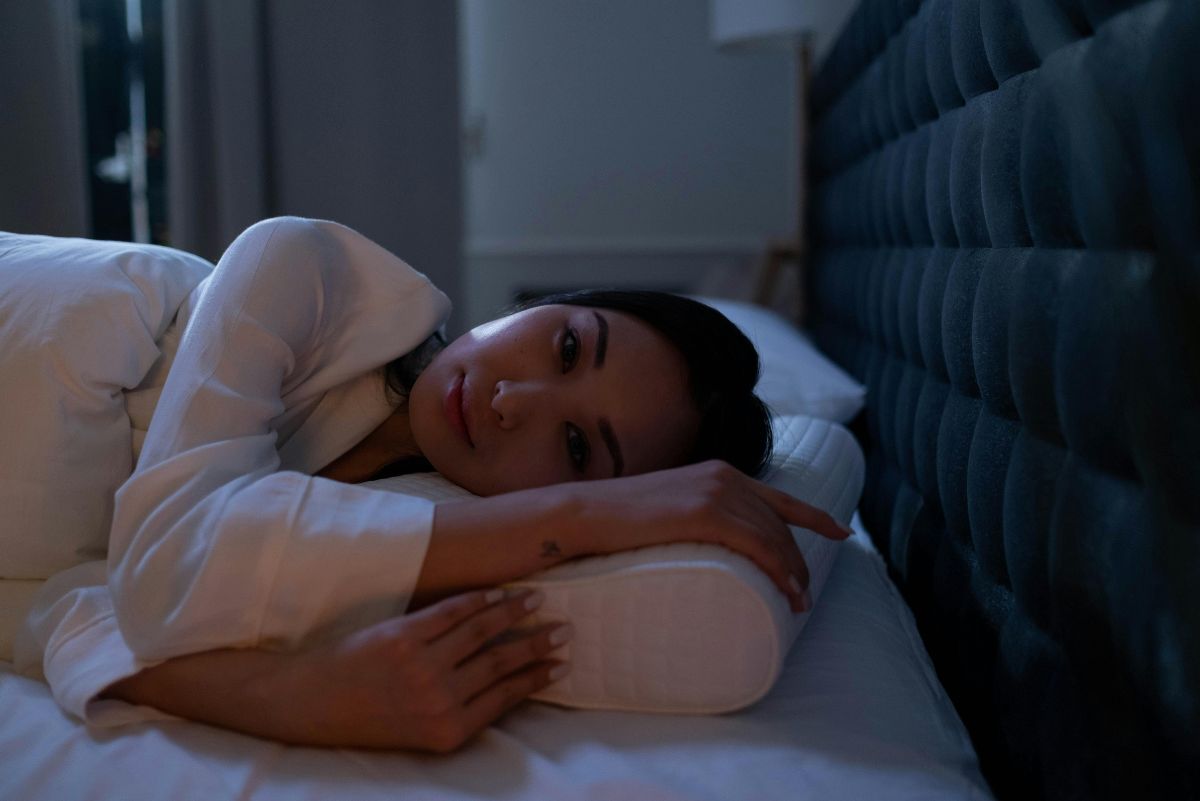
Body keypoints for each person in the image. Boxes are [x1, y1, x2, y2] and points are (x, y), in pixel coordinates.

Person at [10, 217, 848, 754]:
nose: (512, 400)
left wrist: (310, 693)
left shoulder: (415, 515)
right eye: (563, 347)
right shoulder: (305, 268)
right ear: (545, 304)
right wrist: (587, 506)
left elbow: (66, 603)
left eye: (578, 450)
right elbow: (165, 569)